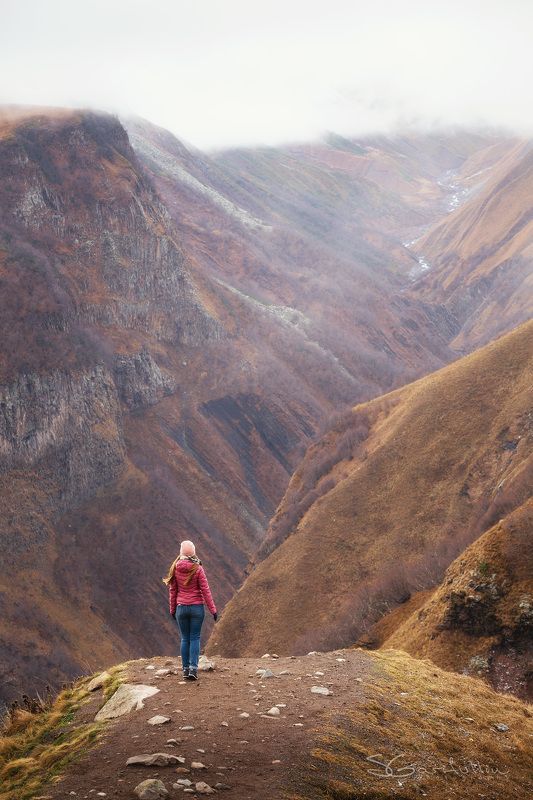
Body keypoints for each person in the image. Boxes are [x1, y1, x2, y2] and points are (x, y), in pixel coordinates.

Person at [163, 540, 217, 681]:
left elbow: (173, 591)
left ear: (181, 552)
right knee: (194, 638)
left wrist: (172, 610)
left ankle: (185, 670)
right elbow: (206, 591)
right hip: (196, 609)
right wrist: (213, 610)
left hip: (181, 608)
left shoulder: (175, 568)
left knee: (185, 639)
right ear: (193, 552)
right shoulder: (198, 568)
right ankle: (193, 669)